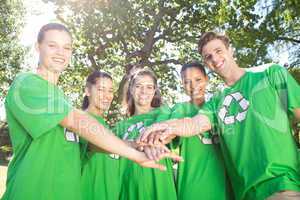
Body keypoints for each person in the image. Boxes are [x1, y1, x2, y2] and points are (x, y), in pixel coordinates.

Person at [1, 23, 177, 200]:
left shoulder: (62, 99)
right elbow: (76, 121)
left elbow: (86, 146)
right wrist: (135, 155)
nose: (60, 53)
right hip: (31, 192)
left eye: (66, 47)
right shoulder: (27, 83)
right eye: (52, 45)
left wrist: (133, 144)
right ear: (38, 47)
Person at [139, 32, 300, 200]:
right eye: (208, 57)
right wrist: (165, 127)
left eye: (219, 51)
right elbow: (194, 124)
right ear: (207, 64)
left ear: (230, 50)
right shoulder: (216, 102)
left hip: (282, 185)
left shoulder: (270, 73)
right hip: (245, 194)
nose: (215, 59)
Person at [170, 62, 232, 200]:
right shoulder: (179, 110)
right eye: (187, 82)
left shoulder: (220, 105)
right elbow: (169, 135)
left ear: (206, 79)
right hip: (193, 186)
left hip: (225, 185)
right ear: (182, 85)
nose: (193, 86)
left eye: (198, 80)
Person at [114, 69, 178, 200]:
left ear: (154, 91)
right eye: (138, 86)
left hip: (158, 186)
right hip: (128, 188)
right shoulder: (119, 127)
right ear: (131, 89)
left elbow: (164, 135)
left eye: (149, 87)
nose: (144, 91)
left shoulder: (164, 113)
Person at [80, 71, 120, 200]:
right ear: (87, 91)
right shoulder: (79, 121)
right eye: (101, 89)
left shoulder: (110, 129)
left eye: (110, 91)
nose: (107, 96)